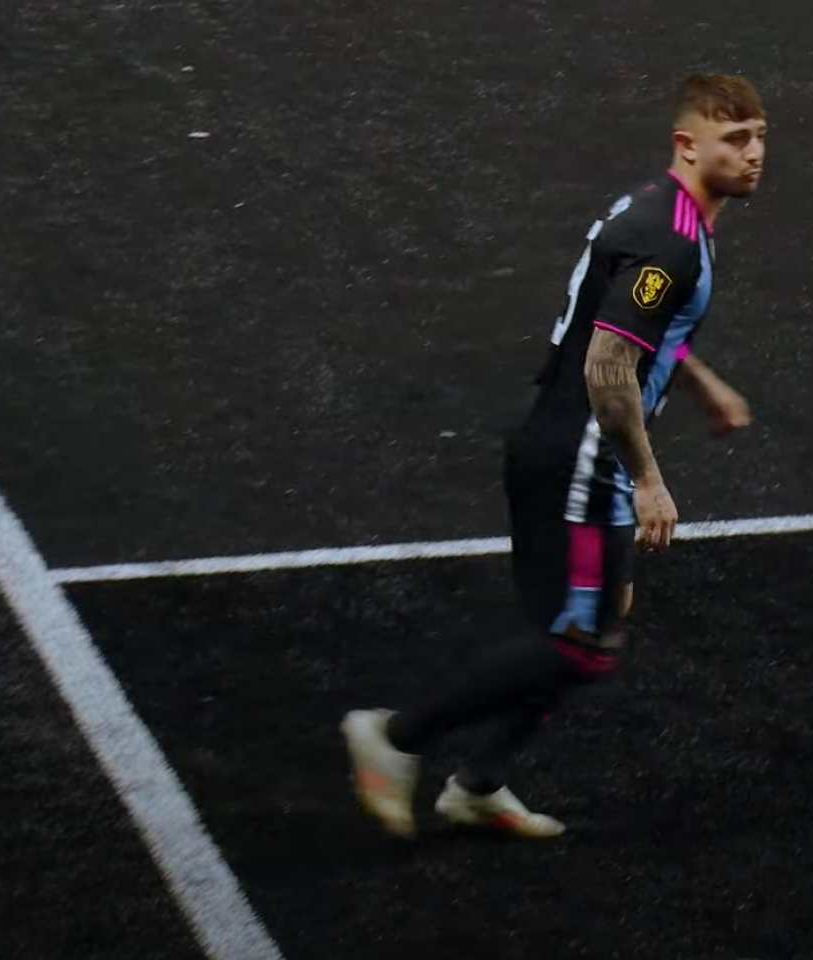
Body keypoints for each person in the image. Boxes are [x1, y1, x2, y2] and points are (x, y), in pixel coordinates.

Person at [340, 73, 767, 839]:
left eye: (759, 137)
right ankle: (396, 737)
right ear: (687, 145)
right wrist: (649, 481)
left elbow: (631, 322)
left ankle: (477, 785)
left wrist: (699, 381)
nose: (754, 153)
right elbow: (607, 365)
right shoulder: (670, 239)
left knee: (595, 630)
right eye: (735, 140)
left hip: (573, 446)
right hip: (581, 457)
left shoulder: (661, 211)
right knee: (578, 643)